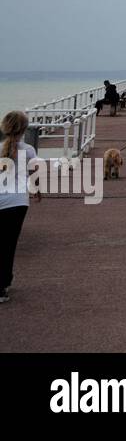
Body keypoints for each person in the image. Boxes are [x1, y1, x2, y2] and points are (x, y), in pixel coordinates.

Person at [1, 111, 38, 304]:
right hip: (17, 201)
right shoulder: (29, 150)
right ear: (24, 129)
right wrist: (37, 191)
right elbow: (33, 175)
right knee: (8, 244)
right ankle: (3, 285)